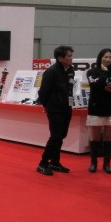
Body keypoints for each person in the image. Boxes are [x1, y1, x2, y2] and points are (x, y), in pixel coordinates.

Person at [36, 45, 75, 176]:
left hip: (67, 108)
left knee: (62, 136)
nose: (71, 58)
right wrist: (48, 106)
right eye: (69, 56)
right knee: (55, 137)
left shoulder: (71, 70)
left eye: (71, 55)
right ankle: (43, 163)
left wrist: (70, 104)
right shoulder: (51, 72)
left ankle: (55, 162)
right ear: (60, 58)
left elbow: (70, 88)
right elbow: (43, 92)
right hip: (55, 109)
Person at [86, 48, 111, 173]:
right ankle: (93, 163)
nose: (108, 59)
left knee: (108, 136)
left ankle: (107, 164)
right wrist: (104, 73)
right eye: (105, 57)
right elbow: (94, 84)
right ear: (100, 58)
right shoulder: (92, 72)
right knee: (95, 136)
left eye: (110, 57)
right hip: (96, 107)